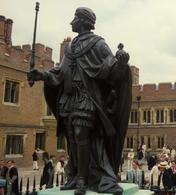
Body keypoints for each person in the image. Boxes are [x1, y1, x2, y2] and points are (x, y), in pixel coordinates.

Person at [27, 7, 132, 195]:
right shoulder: (72, 46)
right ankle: (75, 175)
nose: (72, 22)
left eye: (75, 18)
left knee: (80, 134)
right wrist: (42, 74)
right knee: (72, 139)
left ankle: (83, 180)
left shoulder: (98, 44)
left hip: (87, 97)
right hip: (69, 98)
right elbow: (60, 72)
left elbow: (112, 71)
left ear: (83, 21)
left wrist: (122, 63)